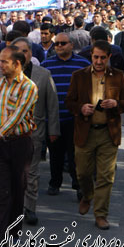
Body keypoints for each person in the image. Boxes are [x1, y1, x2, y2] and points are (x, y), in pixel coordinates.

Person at [65, 40, 124, 231]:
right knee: (83, 173)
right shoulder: (79, 76)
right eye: (96, 57)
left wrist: (116, 104)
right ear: (91, 57)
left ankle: (101, 215)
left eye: (103, 57)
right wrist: (81, 108)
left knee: (106, 176)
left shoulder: (117, 76)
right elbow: (69, 102)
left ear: (109, 57)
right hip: (85, 132)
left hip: (108, 133)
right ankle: (87, 195)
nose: (99, 61)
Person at [0, 46, 38, 247]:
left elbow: (17, 117)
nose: (0, 65)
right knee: (2, 192)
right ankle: (0, 240)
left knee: (17, 189)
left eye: (4, 62)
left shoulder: (29, 87)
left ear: (17, 64)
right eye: (0, 62)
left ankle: (14, 229)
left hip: (20, 144)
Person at [3, 38, 59, 226]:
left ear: (30, 54)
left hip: (34, 133)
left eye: (25, 51)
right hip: (8, 133)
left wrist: (53, 130)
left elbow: (52, 105)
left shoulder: (43, 75)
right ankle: (13, 206)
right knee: (12, 172)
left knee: (31, 172)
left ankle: (29, 208)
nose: (22, 54)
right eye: (17, 51)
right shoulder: (3, 75)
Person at [40, 33, 91, 200]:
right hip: (53, 118)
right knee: (55, 153)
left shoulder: (83, 64)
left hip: (75, 118)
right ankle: (55, 182)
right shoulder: (45, 65)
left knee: (76, 153)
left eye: (63, 43)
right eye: (57, 44)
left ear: (71, 45)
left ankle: (78, 185)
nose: (59, 46)